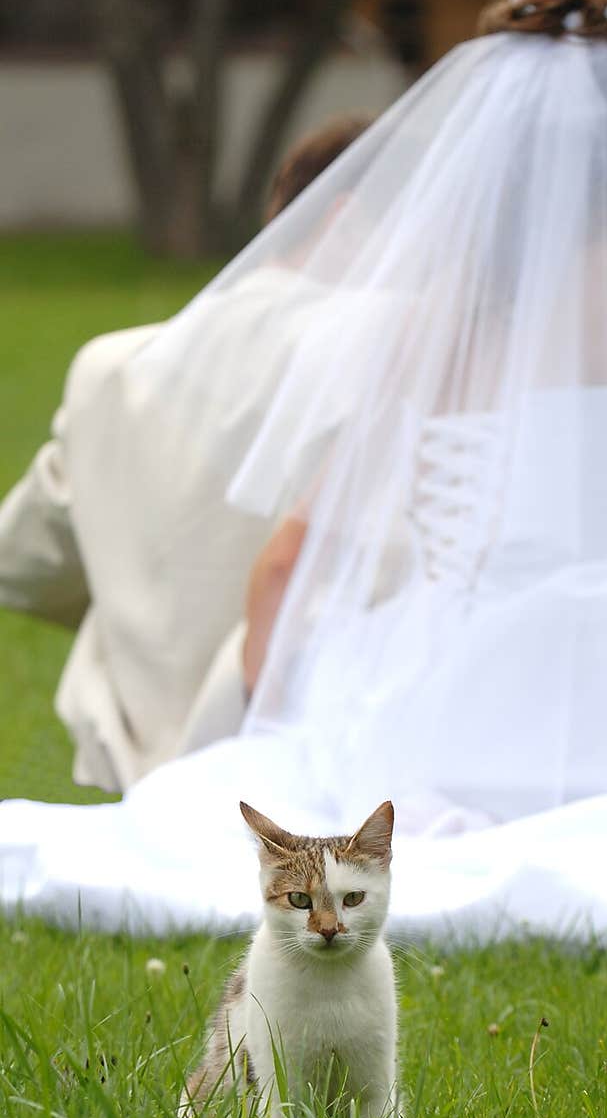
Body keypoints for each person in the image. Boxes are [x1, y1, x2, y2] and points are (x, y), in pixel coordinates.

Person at [2, 0, 607, 955]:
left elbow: (296, 552)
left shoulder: (420, 312)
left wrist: (274, 732)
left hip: (433, 663)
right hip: (606, 645)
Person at [0, 114, 372, 792]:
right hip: (312, 763)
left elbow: (21, 561)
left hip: (135, 769)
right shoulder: (392, 350)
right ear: (344, 217)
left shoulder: (110, 366)